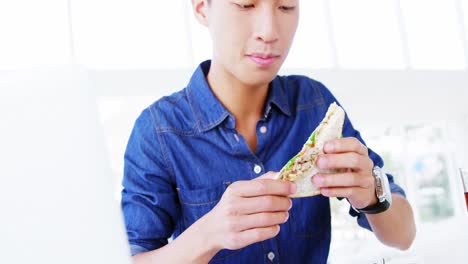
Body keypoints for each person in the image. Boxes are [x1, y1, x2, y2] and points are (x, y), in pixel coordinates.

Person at [121, 0, 416, 263]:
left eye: (286, 7)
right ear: (201, 7)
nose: (269, 31)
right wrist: (209, 233)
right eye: (245, 5)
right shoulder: (157, 131)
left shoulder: (313, 103)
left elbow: (403, 236)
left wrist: (371, 196)